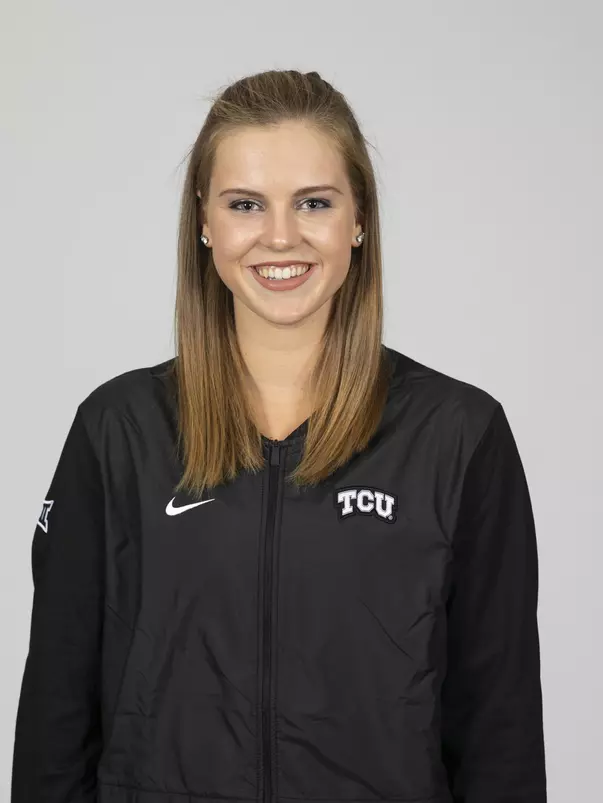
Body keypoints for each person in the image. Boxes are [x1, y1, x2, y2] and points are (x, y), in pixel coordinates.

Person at [11, 69, 547, 803]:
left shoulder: (458, 435)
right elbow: (54, 721)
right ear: (204, 220)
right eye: (244, 204)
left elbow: (501, 731)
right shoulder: (117, 431)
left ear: (358, 219)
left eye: (314, 203)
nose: (280, 236)